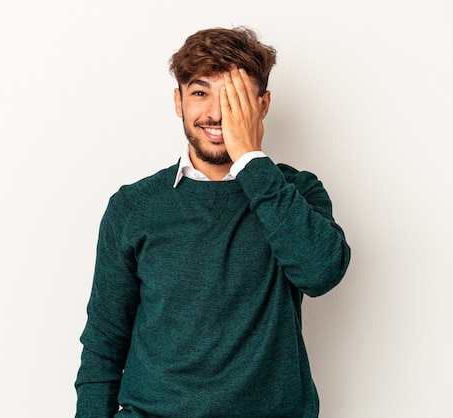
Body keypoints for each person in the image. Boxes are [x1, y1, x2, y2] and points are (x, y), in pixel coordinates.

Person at [75, 26, 351, 418]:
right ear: (178, 101)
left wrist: (251, 161)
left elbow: (321, 272)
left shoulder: (295, 192)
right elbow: (104, 341)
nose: (216, 113)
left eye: (233, 98)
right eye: (201, 93)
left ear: (263, 104)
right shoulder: (133, 207)